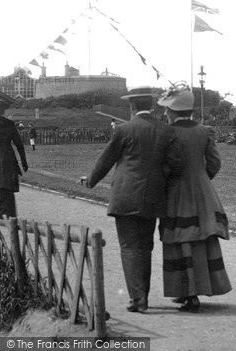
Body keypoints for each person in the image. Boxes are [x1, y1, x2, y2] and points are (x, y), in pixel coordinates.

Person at [81, 86, 184, 314]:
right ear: (151, 105)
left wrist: (89, 181)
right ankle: (141, 295)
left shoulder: (123, 130)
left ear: (132, 106)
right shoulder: (166, 131)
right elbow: (176, 166)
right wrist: (158, 176)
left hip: (125, 197)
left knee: (129, 248)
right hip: (153, 197)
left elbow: (105, 161)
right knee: (145, 247)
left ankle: (138, 299)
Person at [157, 83, 231, 313]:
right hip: (204, 192)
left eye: (167, 110)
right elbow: (215, 163)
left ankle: (187, 294)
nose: (165, 113)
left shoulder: (168, 133)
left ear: (172, 112)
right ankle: (199, 289)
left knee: (181, 239)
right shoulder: (204, 131)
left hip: (178, 193)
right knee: (202, 239)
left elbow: (168, 166)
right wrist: (201, 179)